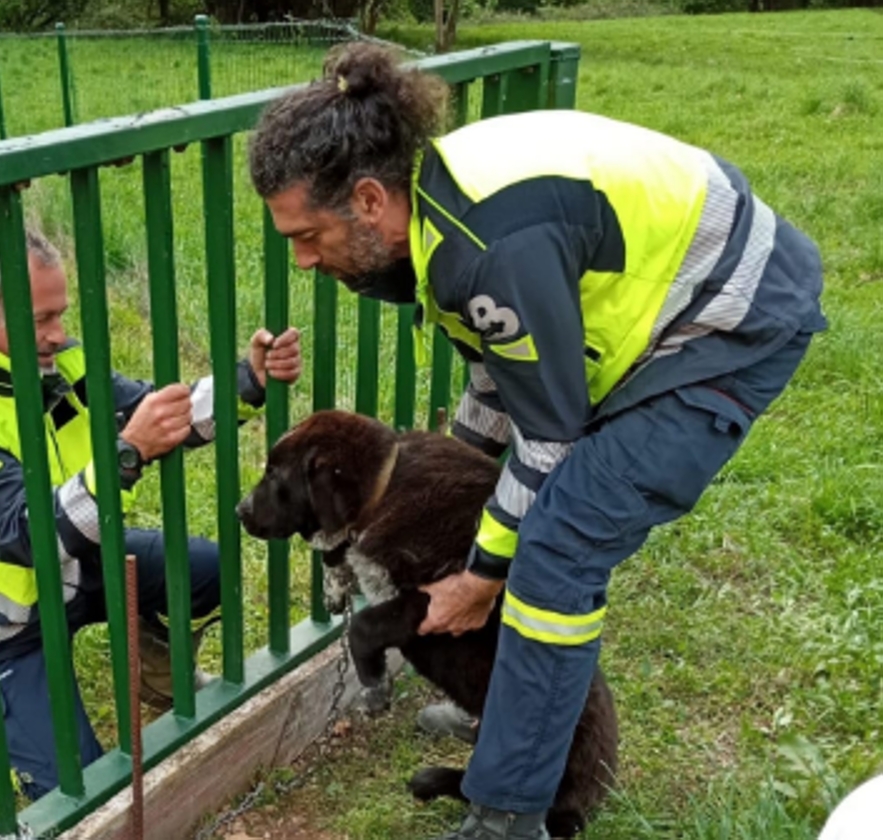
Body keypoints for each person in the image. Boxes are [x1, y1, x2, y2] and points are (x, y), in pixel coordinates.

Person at [249, 44, 825, 840]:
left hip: (730, 322)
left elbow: (546, 435)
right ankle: (520, 713)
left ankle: (513, 812)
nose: (305, 260)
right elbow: (499, 377)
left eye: (308, 235)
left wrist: (481, 574)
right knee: (514, 520)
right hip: (674, 311)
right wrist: (445, 484)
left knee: (555, 547)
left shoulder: (485, 250)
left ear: (372, 200)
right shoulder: (439, 220)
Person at [0, 223, 302, 800]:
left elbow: (152, 413)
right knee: (81, 796)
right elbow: (22, 536)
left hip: (77, 564)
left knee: (208, 570)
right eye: (41, 320)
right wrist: (125, 455)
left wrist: (248, 381)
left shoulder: (55, 359)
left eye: (60, 314)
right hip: (0, 622)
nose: (59, 335)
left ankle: (153, 662)